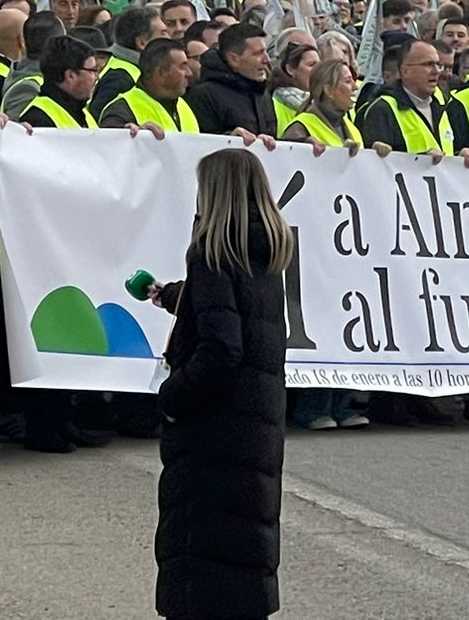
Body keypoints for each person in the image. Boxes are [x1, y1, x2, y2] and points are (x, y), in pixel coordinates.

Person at [149, 148, 292, 620]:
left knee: (200, 559)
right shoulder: (266, 249)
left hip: (213, 427)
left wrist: (172, 397)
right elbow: (240, 313)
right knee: (245, 551)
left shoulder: (210, 254)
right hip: (257, 422)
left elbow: (222, 346)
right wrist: (174, 297)